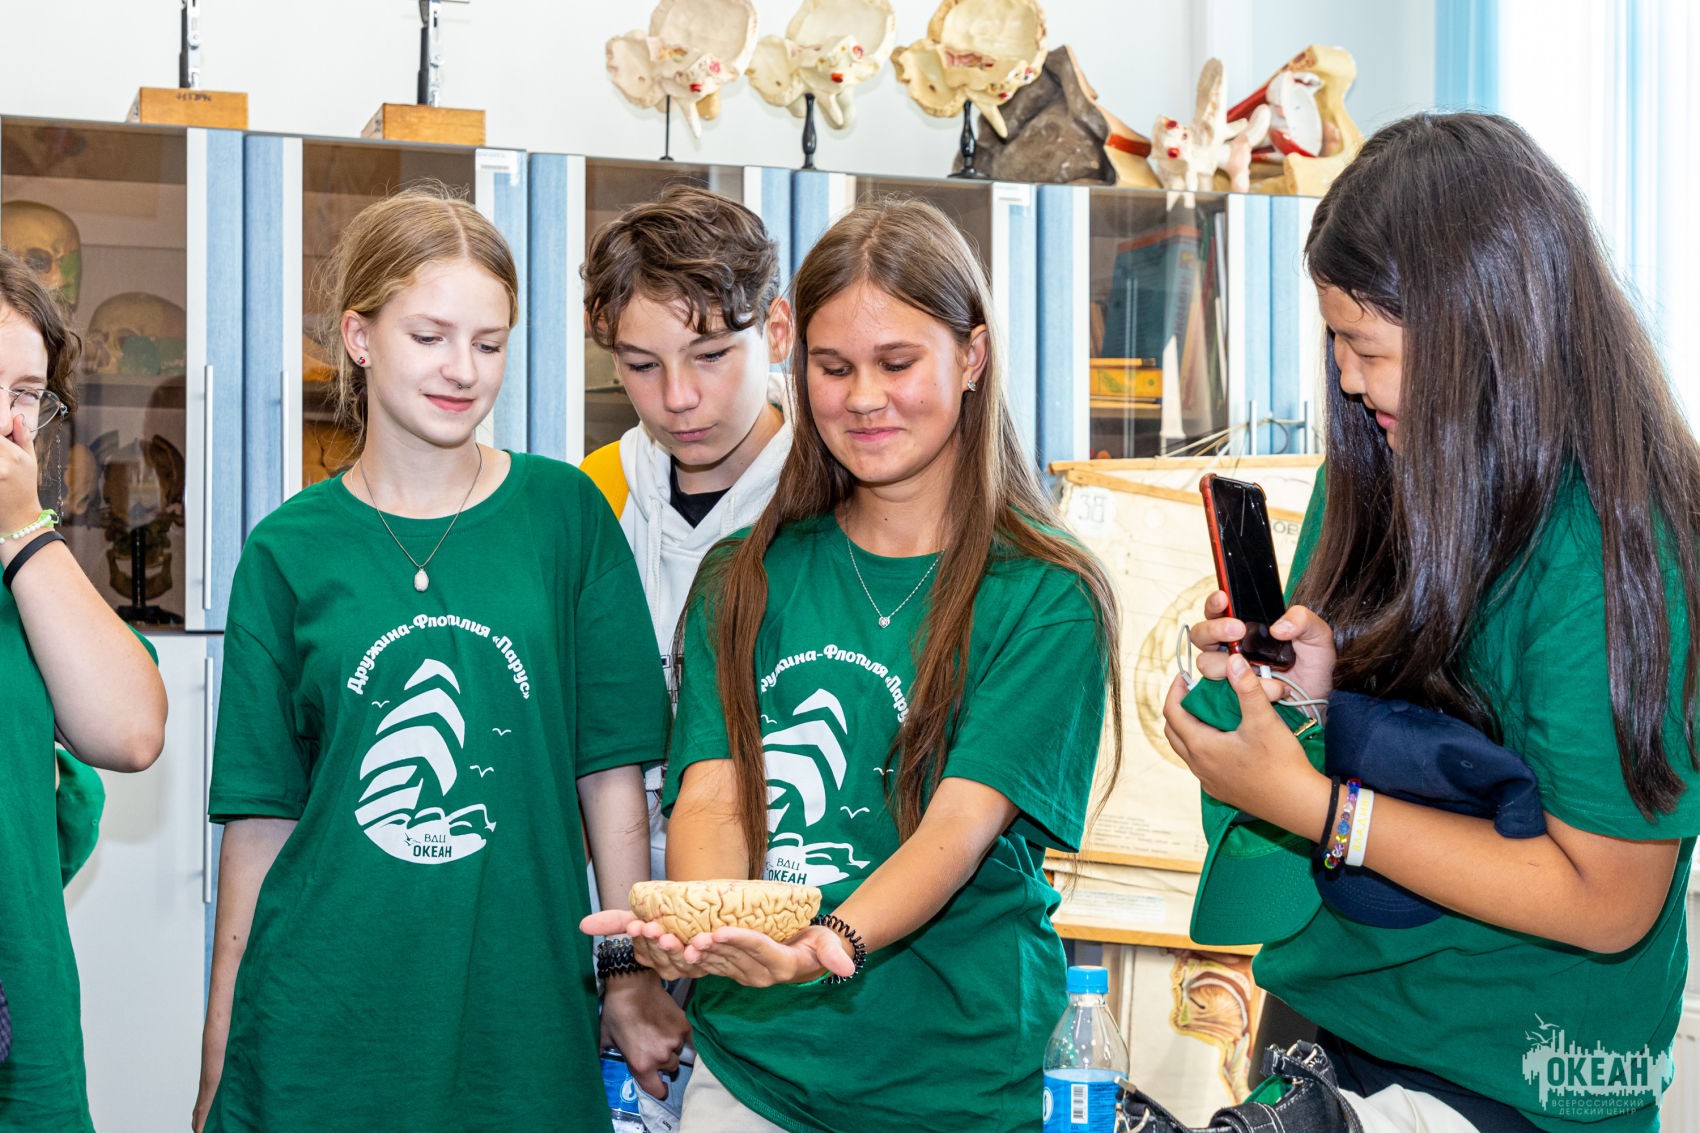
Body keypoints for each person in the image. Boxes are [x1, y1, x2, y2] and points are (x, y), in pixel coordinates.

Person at [1164, 112, 1700, 1132]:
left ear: (1484, 328)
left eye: (1366, 347)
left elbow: (1607, 897)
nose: (1346, 378)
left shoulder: (1613, 552)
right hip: (1329, 1023)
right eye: (1333, 341)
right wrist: (1305, 699)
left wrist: (1322, 807)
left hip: (1521, 1072)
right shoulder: (1384, 457)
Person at [584, 198, 1123, 1133]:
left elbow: (956, 829)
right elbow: (711, 795)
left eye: (897, 363)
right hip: (755, 1074)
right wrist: (709, 928)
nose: (864, 397)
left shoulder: (1045, 592)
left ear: (973, 355)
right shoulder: (745, 575)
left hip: (956, 1082)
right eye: (833, 368)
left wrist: (821, 942)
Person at [193, 186, 685, 1132]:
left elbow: (611, 774)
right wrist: (219, 1052)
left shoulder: (565, 517)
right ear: (360, 337)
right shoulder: (288, 550)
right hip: (317, 1023)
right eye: (429, 336)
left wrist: (627, 974)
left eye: (489, 343)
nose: (463, 370)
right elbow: (259, 827)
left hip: (519, 1015)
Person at [579, 183, 795, 881]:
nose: (678, 398)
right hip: (619, 892)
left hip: (795, 889)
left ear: (777, 330)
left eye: (711, 355)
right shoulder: (595, 495)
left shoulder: (833, 498)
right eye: (643, 365)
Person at [0, 246, 167, 1129]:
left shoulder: (30, 577)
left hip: (24, 1052)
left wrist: (23, 534)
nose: (8, 425)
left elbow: (132, 732)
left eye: (26, 395)